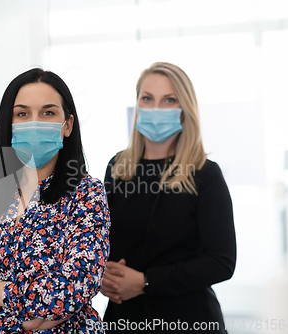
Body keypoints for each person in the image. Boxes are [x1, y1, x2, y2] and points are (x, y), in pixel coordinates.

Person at [0, 68, 111, 333]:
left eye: (48, 112)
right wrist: (25, 326)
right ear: (9, 126)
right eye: (22, 114)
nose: (35, 122)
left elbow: (72, 290)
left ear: (67, 125)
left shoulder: (86, 194)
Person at [101, 62, 236, 333]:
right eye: (147, 98)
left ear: (184, 109)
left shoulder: (204, 174)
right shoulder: (118, 167)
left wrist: (146, 281)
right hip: (123, 318)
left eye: (169, 100)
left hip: (187, 319)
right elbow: (101, 240)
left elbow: (221, 261)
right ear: (137, 104)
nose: (155, 108)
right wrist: (102, 275)